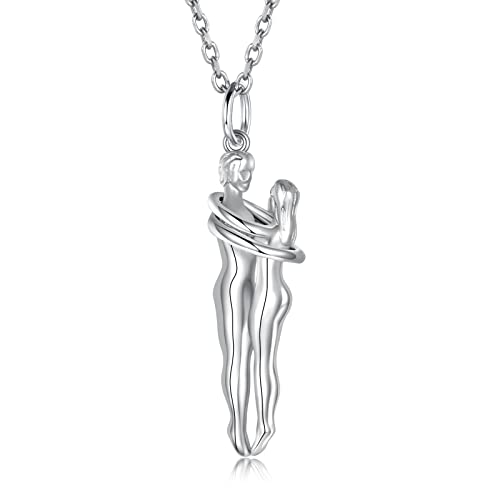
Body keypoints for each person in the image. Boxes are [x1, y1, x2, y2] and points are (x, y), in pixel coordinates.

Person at [249, 179, 300, 455]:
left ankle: (265, 424)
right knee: (266, 360)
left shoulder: (271, 231)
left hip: (267, 296)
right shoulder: (285, 230)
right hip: (279, 293)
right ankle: (265, 421)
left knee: (263, 362)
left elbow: (244, 229)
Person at [213, 151, 256, 456]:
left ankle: (246, 420)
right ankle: (237, 421)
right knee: (235, 356)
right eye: (242, 172)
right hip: (231, 288)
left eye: (250, 172)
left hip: (252, 286)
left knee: (251, 354)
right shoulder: (223, 211)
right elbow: (257, 240)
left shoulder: (248, 211)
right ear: (228, 174)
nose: (248, 178)